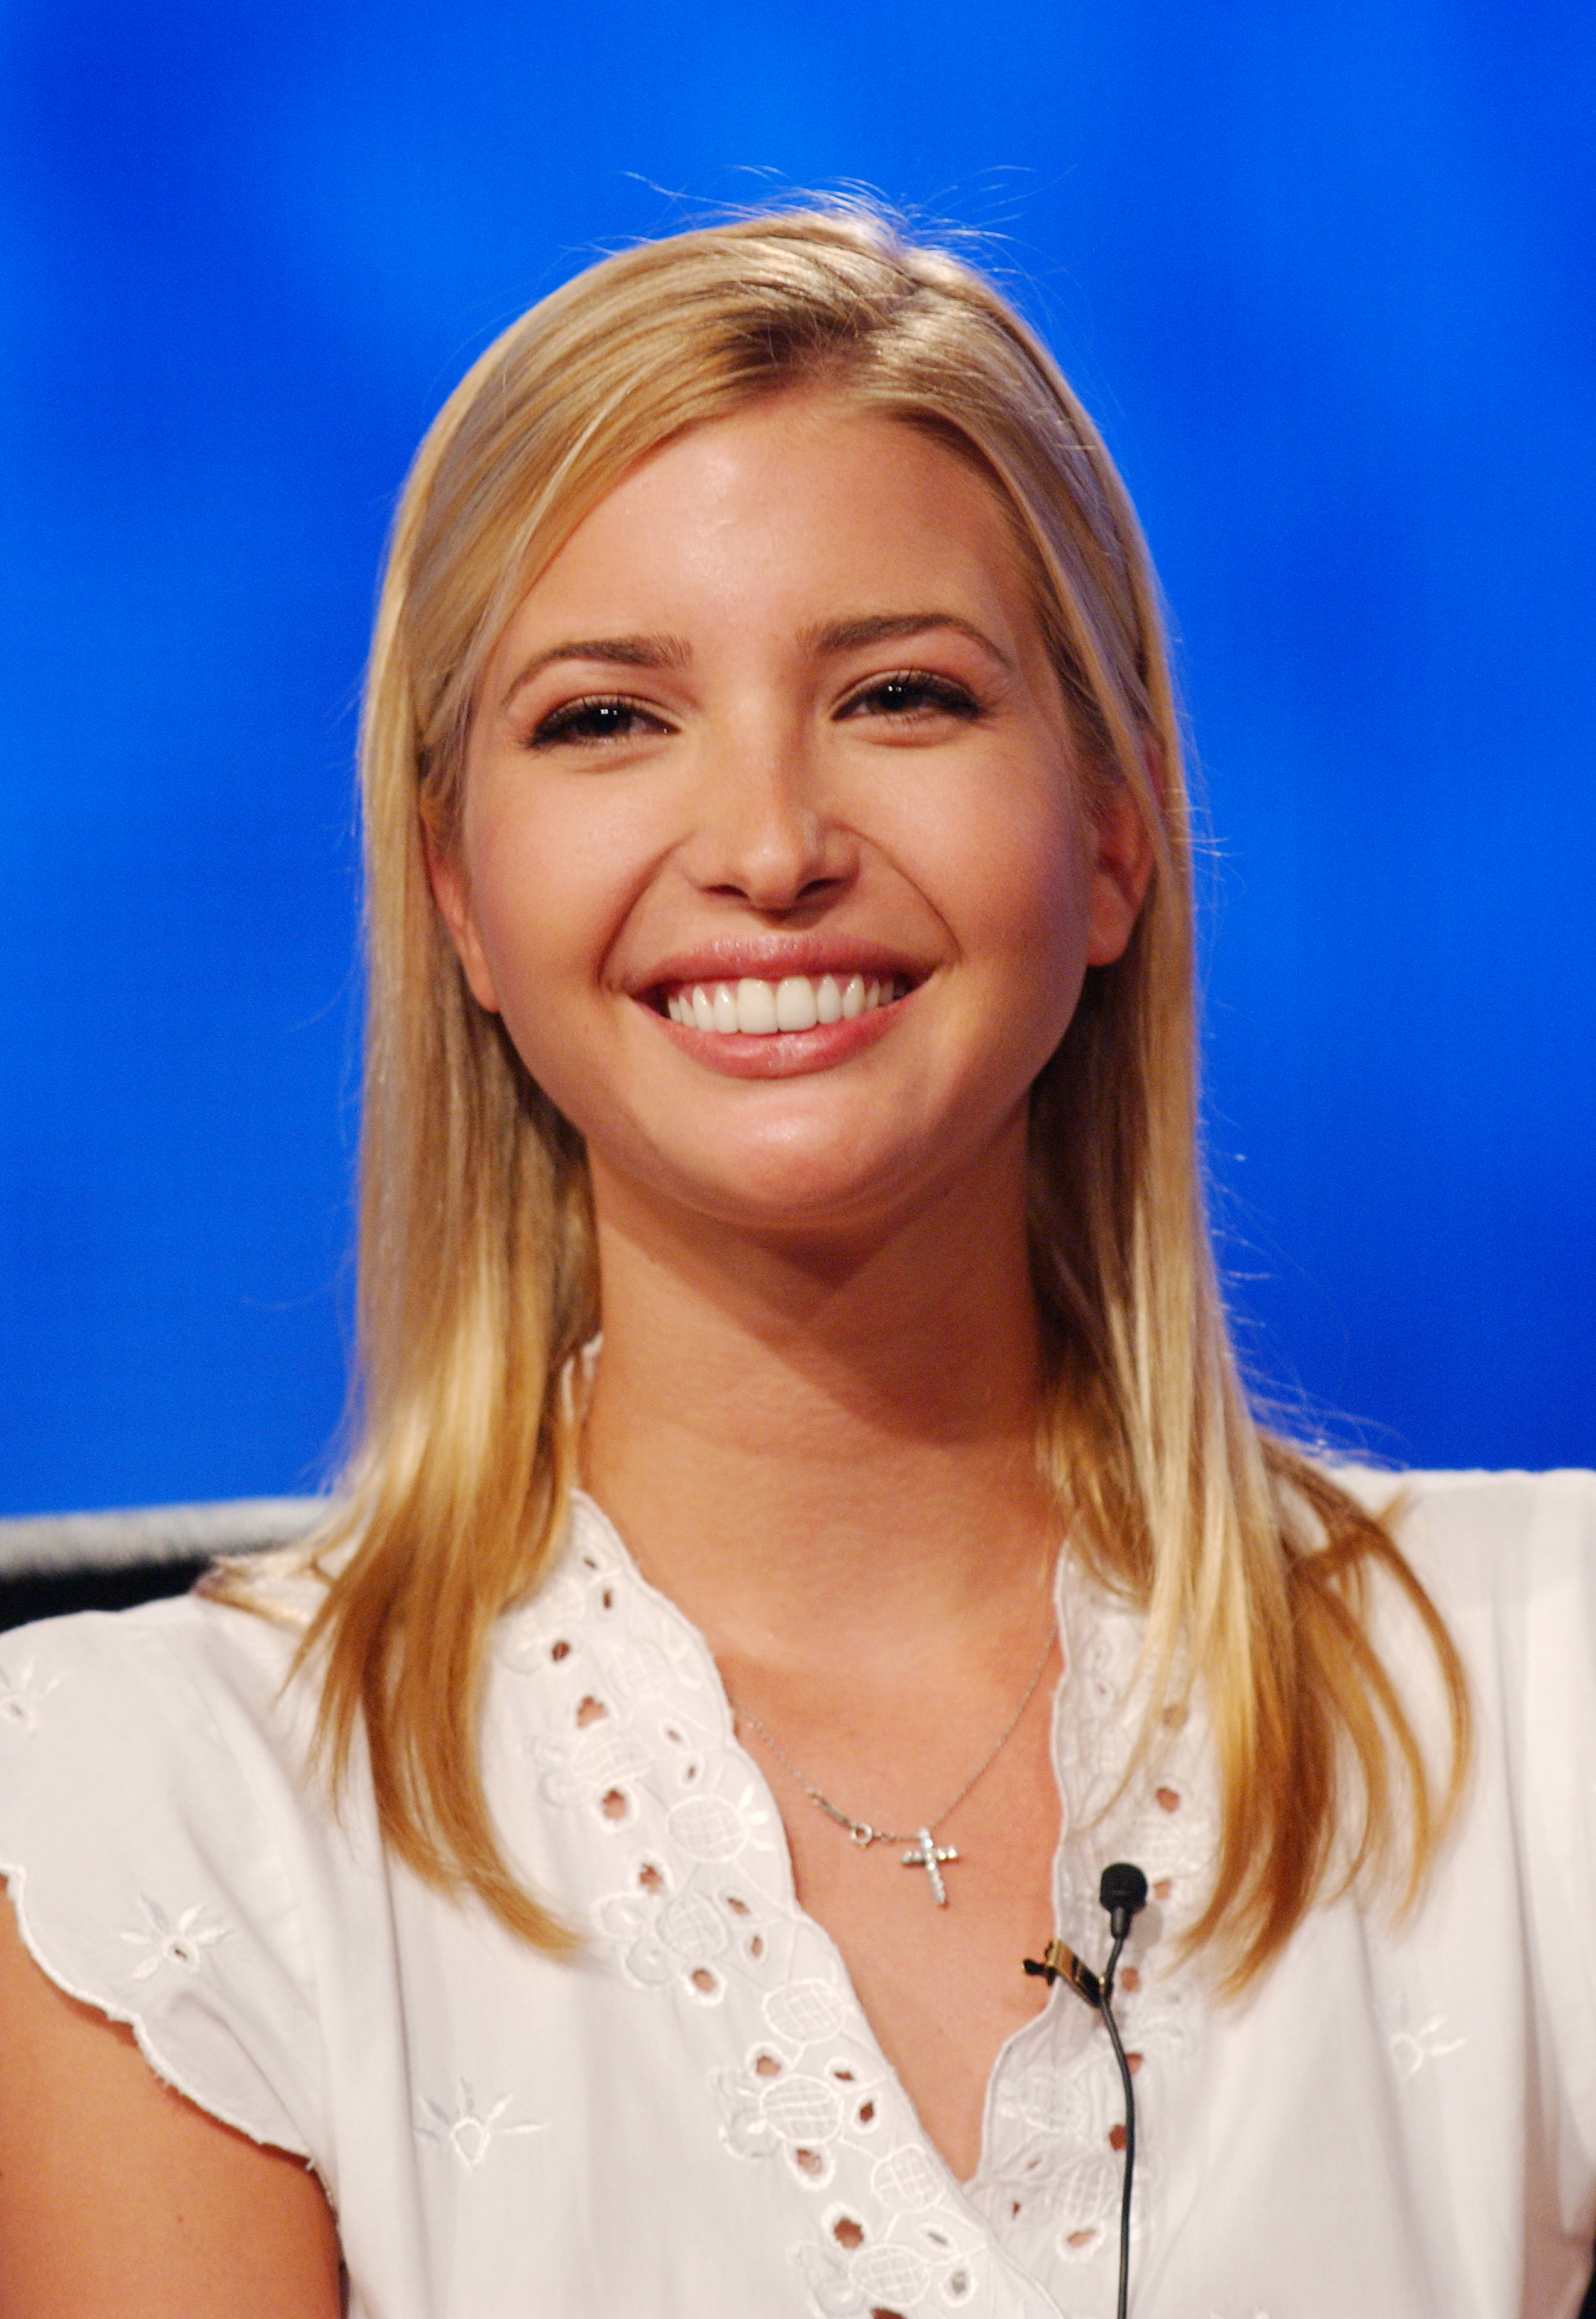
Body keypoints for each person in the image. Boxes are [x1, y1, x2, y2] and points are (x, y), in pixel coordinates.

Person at [1, 207, 1592, 2319]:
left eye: (901, 696)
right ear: (456, 894)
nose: (766, 847)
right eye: (603, 720)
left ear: (1111, 836)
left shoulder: (1542, 1685)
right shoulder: (153, 1810)